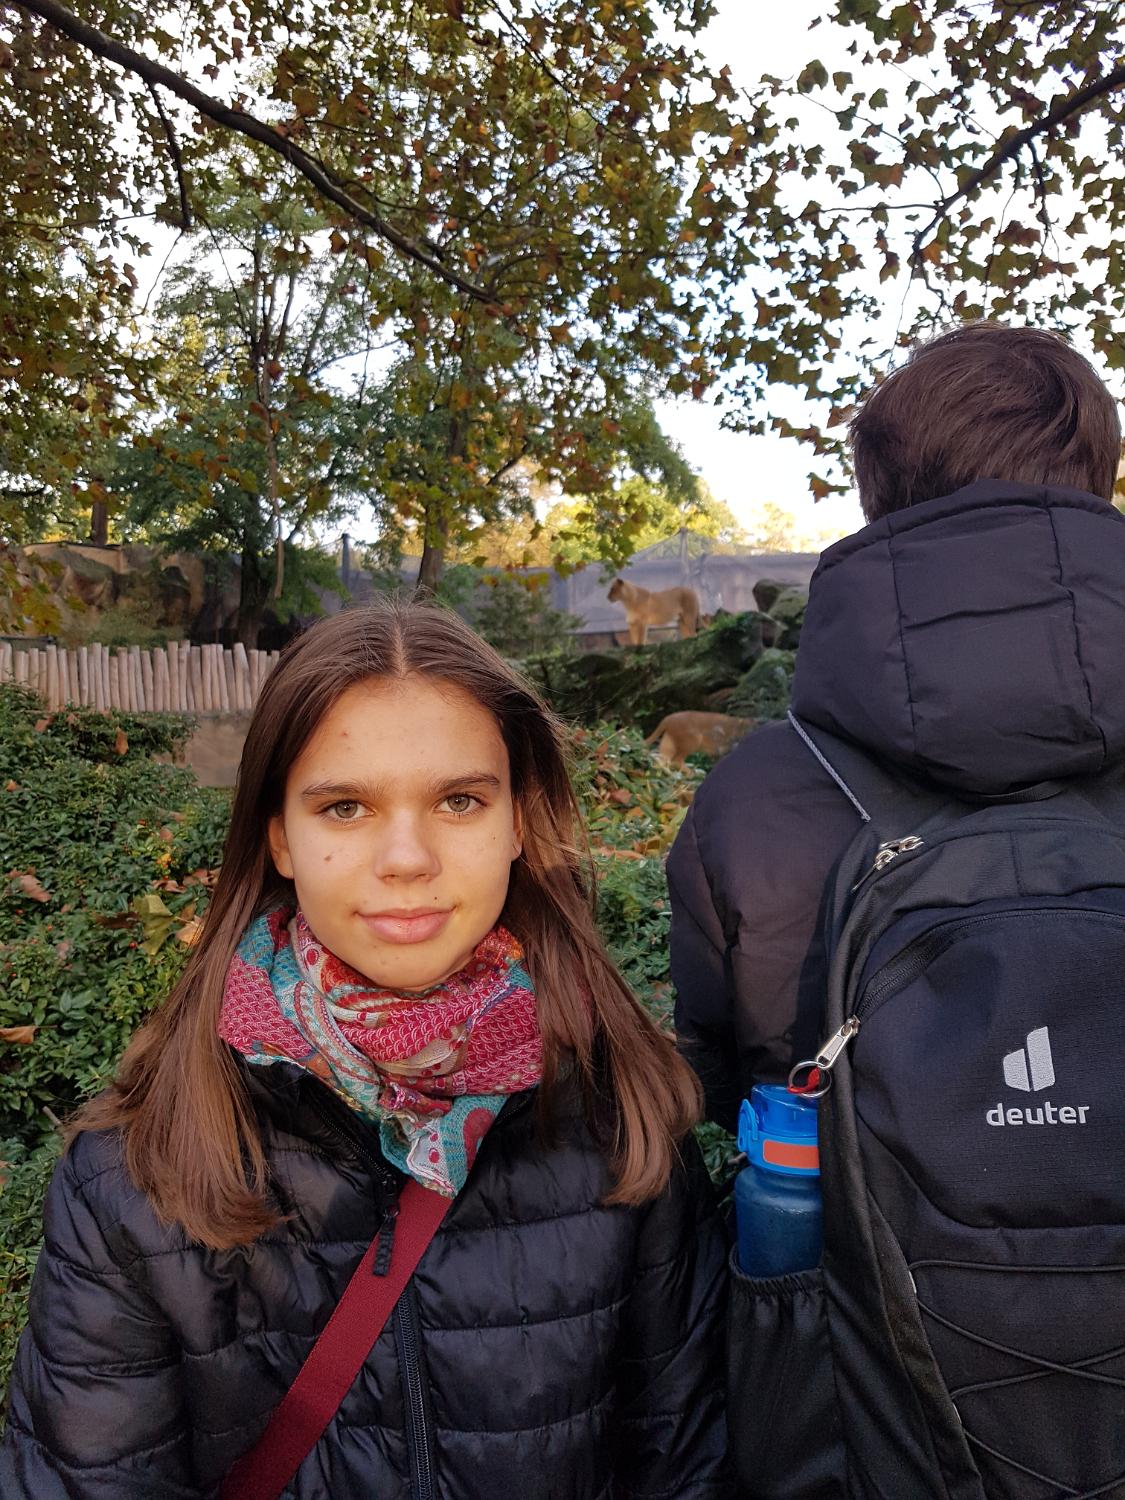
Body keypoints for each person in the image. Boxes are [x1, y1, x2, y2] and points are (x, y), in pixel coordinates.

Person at [1, 600, 732, 1500]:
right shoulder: (136, 1169)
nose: (406, 857)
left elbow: (686, 1463)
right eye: (345, 807)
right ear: (280, 835)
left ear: (516, 821)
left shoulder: (623, 1118)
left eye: (458, 800)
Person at [668, 321, 1124, 1132]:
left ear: (875, 494)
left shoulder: (753, 794)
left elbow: (715, 1073)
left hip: (847, 1213)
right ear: (1096, 479)